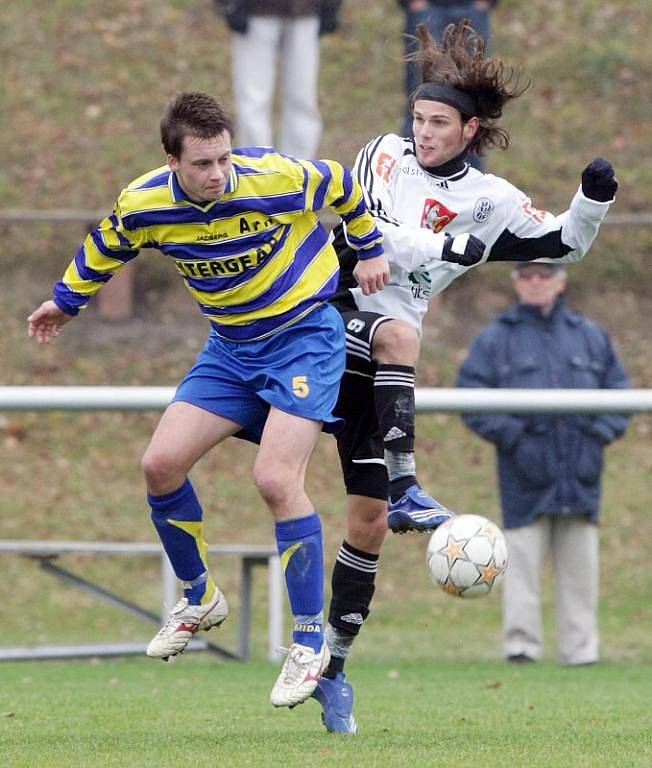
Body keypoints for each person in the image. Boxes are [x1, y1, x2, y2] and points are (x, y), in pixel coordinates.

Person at [27, 90, 390, 710]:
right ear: (172, 162)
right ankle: (199, 595)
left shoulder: (271, 176)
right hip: (230, 350)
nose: (217, 173)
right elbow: (107, 243)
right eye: (202, 164)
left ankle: (309, 643)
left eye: (223, 158)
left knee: (275, 480)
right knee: (159, 465)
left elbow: (341, 186)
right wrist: (65, 302)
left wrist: (371, 249)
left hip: (304, 337)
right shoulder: (146, 204)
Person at [309, 20, 618, 733]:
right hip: (319, 324)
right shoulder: (381, 156)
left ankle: (333, 668)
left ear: (471, 128)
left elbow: (563, 244)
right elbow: (369, 233)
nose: (422, 132)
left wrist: (592, 200)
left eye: (439, 122)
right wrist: (444, 244)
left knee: (368, 522)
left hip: (378, 372)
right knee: (394, 331)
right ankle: (408, 478)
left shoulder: (492, 199)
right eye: (418, 118)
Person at [457, 261, 630, 666]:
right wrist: (514, 439)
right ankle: (522, 648)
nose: (536, 282)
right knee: (521, 569)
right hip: (523, 476)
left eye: (544, 275)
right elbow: (470, 398)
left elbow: (620, 393)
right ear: (516, 282)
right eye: (527, 275)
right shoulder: (497, 339)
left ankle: (581, 652)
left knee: (581, 571)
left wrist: (597, 437)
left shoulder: (589, 336)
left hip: (581, 475)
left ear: (561, 281)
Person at [215, 1, 341, 158]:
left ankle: (300, 171)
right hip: (255, 11)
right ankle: (257, 169)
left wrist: (331, 5)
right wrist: (230, 5)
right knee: (253, 100)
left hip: (306, 11)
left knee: (303, 98)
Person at [397, 0, 499, 160]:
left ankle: (469, 176)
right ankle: (410, 170)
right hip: (427, 9)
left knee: (473, 100)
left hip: (473, 8)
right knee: (421, 96)